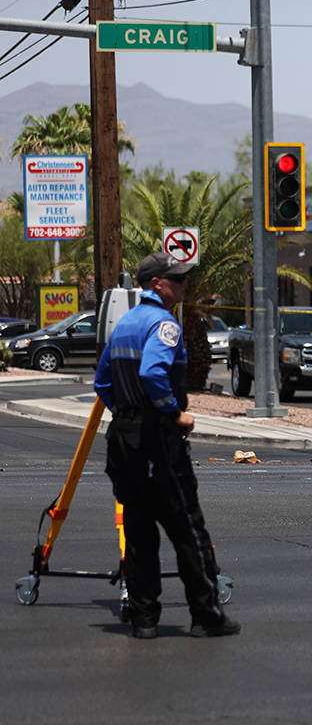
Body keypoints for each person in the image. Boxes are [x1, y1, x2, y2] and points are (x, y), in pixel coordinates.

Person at [94, 252, 239, 640]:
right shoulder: (164, 325)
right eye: (178, 280)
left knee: (140, 534)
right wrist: (172, 413)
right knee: (189, 531)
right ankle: (207, 617)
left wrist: (126, 412)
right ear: (157, 283)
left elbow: (102, 382)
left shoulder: (124, 325)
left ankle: (144, 620)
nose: (183, 286)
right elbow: (153, 371)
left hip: (124, 440)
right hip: (157, 441)